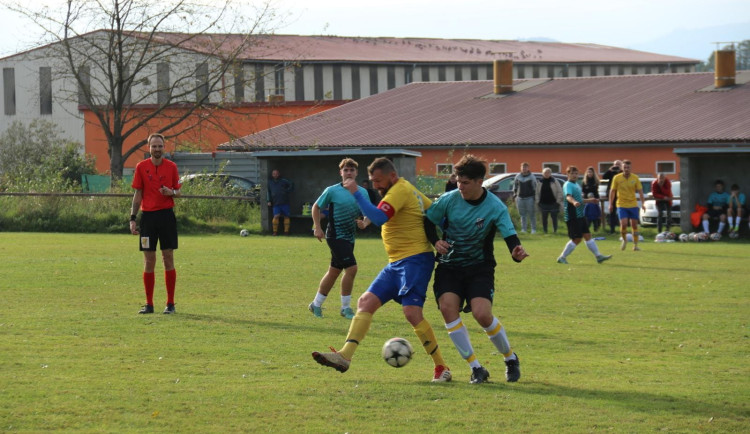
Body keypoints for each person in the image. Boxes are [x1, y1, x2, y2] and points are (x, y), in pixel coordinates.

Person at [312, 157, 452, 382]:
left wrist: (357, 191)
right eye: (372, 181)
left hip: (415, 260)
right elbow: (434, 212)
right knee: (365, 302)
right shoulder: (407, 190)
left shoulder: (399, 190)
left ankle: (441, 367)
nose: (375, 185)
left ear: (392, 176)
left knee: (412, 313)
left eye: (378, 180)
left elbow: (378, 217)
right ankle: (345, 356)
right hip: (396, 262)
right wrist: (440, 236)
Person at [425, 155, 527, 384]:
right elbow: (428, 220)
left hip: (479, 268)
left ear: (480, 181)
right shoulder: (449, 199)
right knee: (447, 309)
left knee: (482, 314)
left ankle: (510, 358)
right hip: (449, 266)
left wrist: (516, 251)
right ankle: (476, 368)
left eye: (466, 182)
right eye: (458, 181)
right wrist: (435, 241)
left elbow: (510, 236)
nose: (460, 186)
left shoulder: (494, 206)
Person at [309, 159, 370, 320]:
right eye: (346, 170)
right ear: (341, 173)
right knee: (352, 268)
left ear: (356, 173)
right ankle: (345, 308)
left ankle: (316, 304)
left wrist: (364, 223)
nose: (349, 172)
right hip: (335, 236)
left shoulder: (362, 192)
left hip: (349, 237)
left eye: (351, 170)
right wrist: (317, 227)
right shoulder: (332, 190)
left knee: (334, 271)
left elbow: (368, 213)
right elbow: (316, 207)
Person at [129, 133, 181, 314]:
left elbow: (179, 192)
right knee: (149, 260)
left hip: (166, 217)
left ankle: (170, 304)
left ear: (164, 147)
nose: (157, 149)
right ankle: (149, 304)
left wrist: (171, 192)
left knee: (168, 258)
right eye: (154, 146)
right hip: (148, 219)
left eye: (160, 146)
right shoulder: (141, 167)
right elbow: (137, 194)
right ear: (148, 147)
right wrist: (133, 218)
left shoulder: (172, 167)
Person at [557, 166, 612, 264]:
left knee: (587, 235)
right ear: (567, 174)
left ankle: (598, 256)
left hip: (580, 215)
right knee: (577, 239)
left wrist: (590, 200)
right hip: (572, 215)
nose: (574, 175)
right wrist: (574, 202)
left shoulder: (577, 185)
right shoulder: (568, 185)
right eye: (572, 173)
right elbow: (568, 197)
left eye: (576, 173)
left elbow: (579, 200)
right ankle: (562, 257)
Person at [609, 160, 645, 251]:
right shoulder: (617, 178)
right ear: (622, 168)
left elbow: (640, 191)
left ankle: (635, 245)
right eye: (624, 167)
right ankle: (624, 240)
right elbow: (612, 191)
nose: (626, 169)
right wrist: (610, 204)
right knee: (624, 224)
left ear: (630, 168)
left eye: (628, 167)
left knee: (634, 225)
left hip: (633, 204)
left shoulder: (635, 178)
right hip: (621, 204)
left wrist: (643, 203)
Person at [535, 167, 564, 233]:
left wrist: (558, 201)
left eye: (548, 172)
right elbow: (536, 192)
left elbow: (560, 192)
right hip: (543, 203)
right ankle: (545, 231)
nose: (547, 174)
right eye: (545, 173)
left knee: (554, 218)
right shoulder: (540, 182)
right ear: (542, 174)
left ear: (550, 173)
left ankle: (555, 231)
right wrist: (538, 201)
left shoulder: (554, 181)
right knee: (544, 219)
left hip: (554, 203)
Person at [267, 169, 294, 235]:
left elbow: (292, 184)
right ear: (272, 175)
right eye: (274, 174)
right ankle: (275, 232)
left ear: (279, 174)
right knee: (276, 216)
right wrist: (268, 200)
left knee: (286, 216)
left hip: (285, 202)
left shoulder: (283, 181)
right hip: (275, 202)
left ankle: (286, 232)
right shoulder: (270, 182)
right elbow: (268, 192)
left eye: (276, 173)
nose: (275, 175)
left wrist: (287, 191)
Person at [513, 162, 538, 233]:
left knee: (531, 214)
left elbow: (535, 187)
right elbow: (515, 186)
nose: (524, 169)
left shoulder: (532, 177)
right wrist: (515, 195)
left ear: (528, 168)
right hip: (520, 198)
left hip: (530, 198)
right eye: (523, 167)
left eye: (525, 167)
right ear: (521, 168)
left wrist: (535, 197)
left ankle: (533, 229)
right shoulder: (517, 176)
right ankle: (524, 229)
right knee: (522, 214)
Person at [602, 160, 623, 234]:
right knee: (612, 212)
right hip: (612, 194)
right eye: (615, 165)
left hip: (621, 194)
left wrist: (621, 169)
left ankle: (623, 229)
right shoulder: (611, 172)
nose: (616, 166)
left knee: (622, 212)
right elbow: (604, 177)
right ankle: (612, 230)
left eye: (618, 165)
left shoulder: (623, 172)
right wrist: (609, 170)